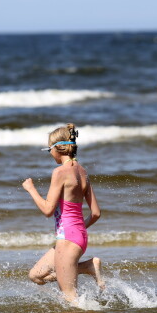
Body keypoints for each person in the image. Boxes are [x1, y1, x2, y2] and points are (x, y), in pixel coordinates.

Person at [22, 123, 103, 303]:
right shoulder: (83, 172)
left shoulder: (59, 172)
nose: (49, 154)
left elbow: (47, 210)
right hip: (78, 236)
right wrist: (79, 228)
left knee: (71, 300)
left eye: (48, 149)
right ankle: (88, 266)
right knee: (36, 275)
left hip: (67, 238)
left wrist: (31, 189)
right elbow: (96, 213)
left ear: (57, 148)